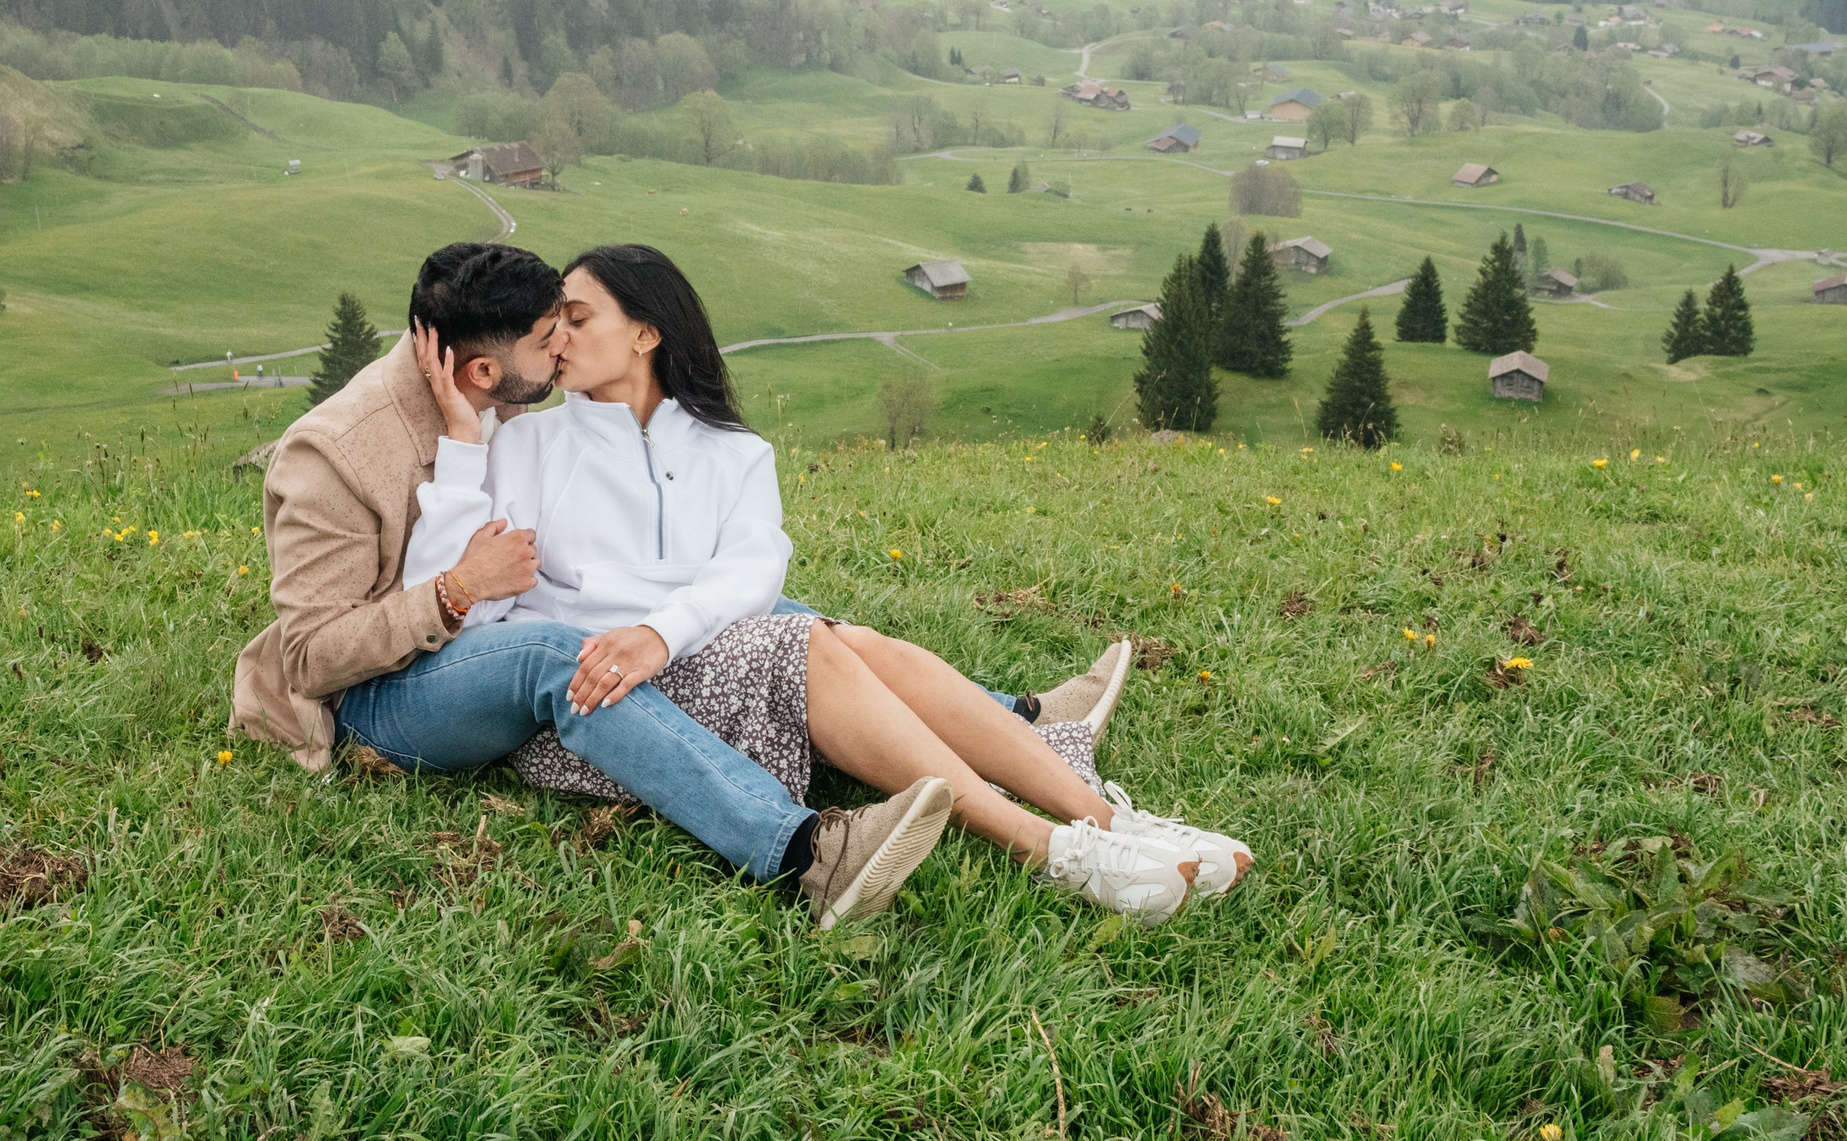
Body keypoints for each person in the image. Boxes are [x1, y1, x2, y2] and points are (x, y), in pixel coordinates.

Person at [403, 243, 1252, 921]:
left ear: (646, 333)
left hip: (685, 654)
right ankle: (1051, 847)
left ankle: (1110, 820)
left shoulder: (734, 452)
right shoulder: (526, 445)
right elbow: (461, 605)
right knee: (811, 641)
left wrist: (661, 631)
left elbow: (755, 566)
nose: (555, 336)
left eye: (577, 317)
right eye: (553, 321)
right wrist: (464, 447)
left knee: (852, 642)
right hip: (608, 698)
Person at [231, 241, 957, 929]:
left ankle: (1003, 719)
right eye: (549, 335)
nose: (561, 348)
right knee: (557, 654)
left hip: (477, 646)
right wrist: (457, 588)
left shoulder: (501, 388)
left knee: (773, 614)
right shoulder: (334, 455)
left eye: (567, 324)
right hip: (376, 697)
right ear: (481, 371)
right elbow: (311, 659)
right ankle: (804, 851)